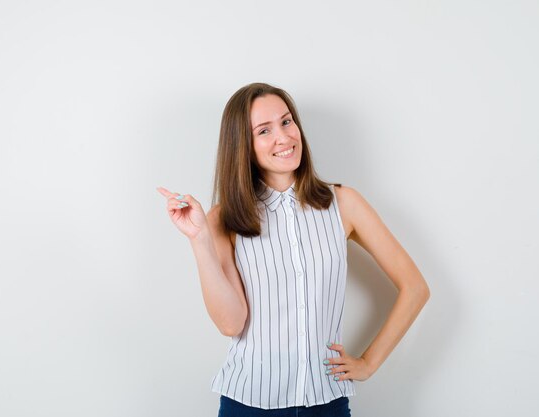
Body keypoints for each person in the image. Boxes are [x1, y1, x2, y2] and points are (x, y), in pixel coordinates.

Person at [157, 82, 430, 416]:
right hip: (248, 404)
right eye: (264, 130)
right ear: (243, 145)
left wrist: (368, 363)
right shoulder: (223, 219)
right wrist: (199, 240)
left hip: (327, 403)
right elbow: (231, 323)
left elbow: (415, 288)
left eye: (287, 122)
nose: (284, 137)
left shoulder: (344, 204)